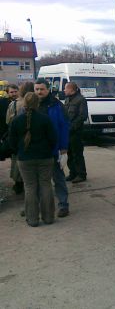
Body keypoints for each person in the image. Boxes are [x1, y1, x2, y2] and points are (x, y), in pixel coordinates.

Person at [8, 92, 57, 227]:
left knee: (30, 187)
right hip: (45, 157)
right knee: (46, 185)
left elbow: (11, 142)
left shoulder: (17, 120)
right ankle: (48, 217)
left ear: (24, 103)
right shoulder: (45, 119)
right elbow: (53, 139)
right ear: (37, 103)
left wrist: (19, 151)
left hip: (25, 158)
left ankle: (33, 219)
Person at [34, 78, 70, 218]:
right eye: (36, 89)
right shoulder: (31, 104)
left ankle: (63, 205)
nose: (39, 92)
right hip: (36, 150)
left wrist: (64, 148)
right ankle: (33, 206)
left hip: (53, 149)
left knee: (58, 178)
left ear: (48, 89)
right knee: (36, 181)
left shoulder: (56, 105)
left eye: (42, 89)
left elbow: (64, 126)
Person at [6, 82, 34, 195]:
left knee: (17, 161)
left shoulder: (14, 104)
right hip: (34, 137)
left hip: (18, 137)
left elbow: (8, 122)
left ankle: (18, 183)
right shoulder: (37, 102)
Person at [64, 81, 88, 183]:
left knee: (77, 154)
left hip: (76, 132)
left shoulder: (81, 100)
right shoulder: (68, 99)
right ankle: (72, 173)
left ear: (71, 89)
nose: (64, 90)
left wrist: (72, 127)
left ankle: (81, 174)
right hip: (67, 132)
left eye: (66, 88)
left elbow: (83, 116)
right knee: (69, 154)